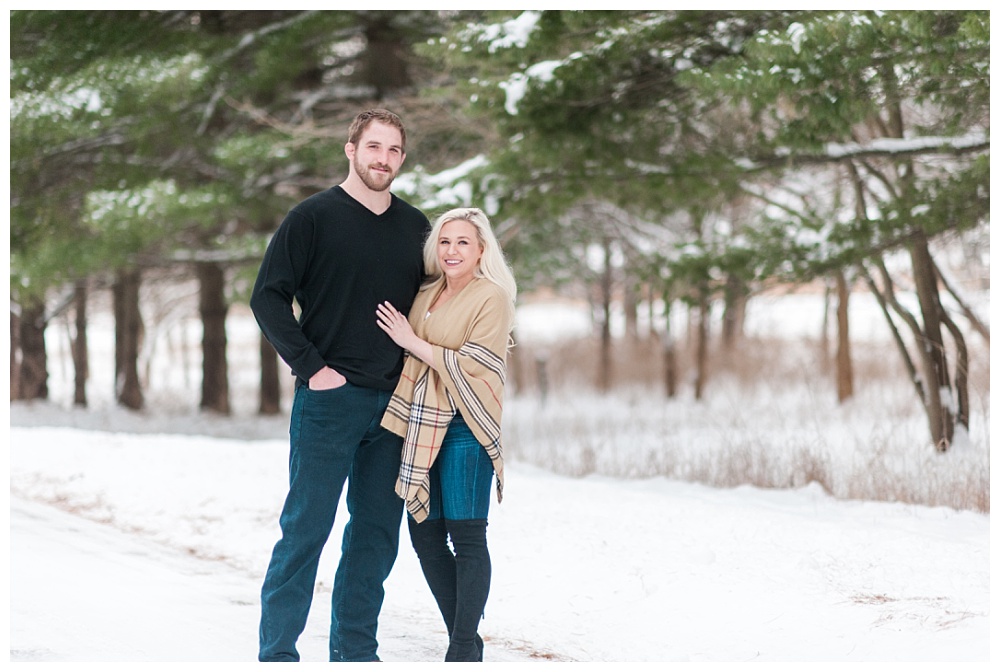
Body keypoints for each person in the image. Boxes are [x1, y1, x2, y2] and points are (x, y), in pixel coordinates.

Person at [250, 108, 430, 662]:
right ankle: (277, 654)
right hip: (330, 399)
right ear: (351, 149)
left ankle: (355, 653)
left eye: (394, 150)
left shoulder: (416, 227)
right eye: (374, 147)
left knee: (375, 537)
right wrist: (313, 368)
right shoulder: (312, 218)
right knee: (306, 530)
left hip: (396, 405)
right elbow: (268, 297)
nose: (384, 159)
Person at [375, 207, 517, 662]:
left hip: (464, 424)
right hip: (421, 421)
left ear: (480, 251)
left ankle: (459, 650)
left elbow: (477, 363)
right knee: (425, 536)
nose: (452, 251)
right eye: (445, 242)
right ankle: (467, 641)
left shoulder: (491, 296)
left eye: (463, 243)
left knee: (467, 535)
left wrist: (411, 342)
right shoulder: (427, 291)